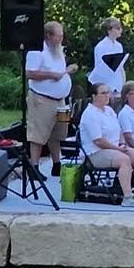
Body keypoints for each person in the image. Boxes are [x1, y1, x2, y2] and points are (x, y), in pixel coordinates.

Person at [80, 83, 134, 206]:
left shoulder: (109, 110)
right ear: (94, 96)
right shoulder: (90, 114)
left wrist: (122, 144)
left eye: (108, 92)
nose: (108, 96)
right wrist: (118, 149)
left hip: (114, 148)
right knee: (124, 159)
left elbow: (119, 131)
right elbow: (99, 141)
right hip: (95, 153)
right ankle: (127, 198)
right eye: (103, 93)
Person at [25, 21, 77, 177]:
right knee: (39, 133)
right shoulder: (37, 51)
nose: (60, 39)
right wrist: (52, 75)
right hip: (42, 99)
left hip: (60, 100)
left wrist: (68, 70)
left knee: (59, 132)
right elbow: (30, 73)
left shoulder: (58, 50)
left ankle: (56, 163)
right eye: (58, 36)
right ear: (48, 35)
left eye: (62, 36)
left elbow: (59, 71)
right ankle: (34, 166)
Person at [87, 17, 126, 100]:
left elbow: (121, 68)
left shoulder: (119, 46)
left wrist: (123, 84)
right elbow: (102, 69)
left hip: (117, 84)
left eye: (120, 28)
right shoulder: (101, 47)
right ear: (109, 30)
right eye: (117, 28)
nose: (120, 30)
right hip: (105, 84)